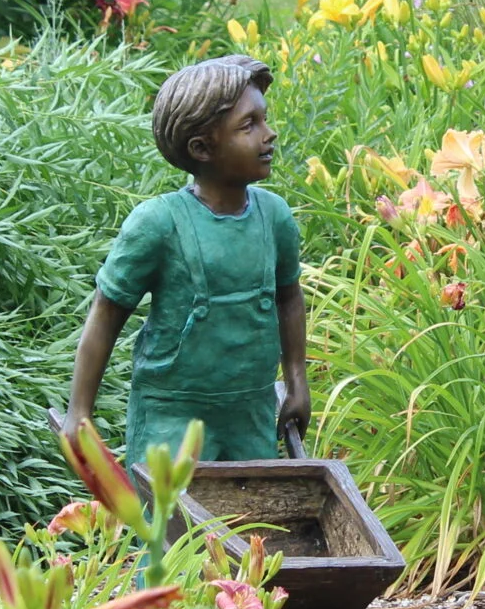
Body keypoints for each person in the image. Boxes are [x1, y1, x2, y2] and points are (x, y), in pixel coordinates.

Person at [64, 53, 308, 463]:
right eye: (249, 125)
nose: (270, 134)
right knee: (169, 520)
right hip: (172, 414)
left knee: (254, 519)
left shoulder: (274, 217)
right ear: (201, 148)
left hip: (249, 410)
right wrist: (79, 412)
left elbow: (288, 298)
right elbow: (107, 313)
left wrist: (297, 382)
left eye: (264, 119)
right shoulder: (158, 224)